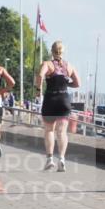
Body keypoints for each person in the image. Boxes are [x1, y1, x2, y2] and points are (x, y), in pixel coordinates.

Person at [36, 41, 80, 171]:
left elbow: (40, 76)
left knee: (49, 130)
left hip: (50, 99)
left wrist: (38, 89)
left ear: (52, 51)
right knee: (62, 132)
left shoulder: (47, 64)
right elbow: (78, 83)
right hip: (64, 100)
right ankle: (61, 159)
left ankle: (49, 159)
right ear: (62, 51)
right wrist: (67, 84)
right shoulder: (69, 66)